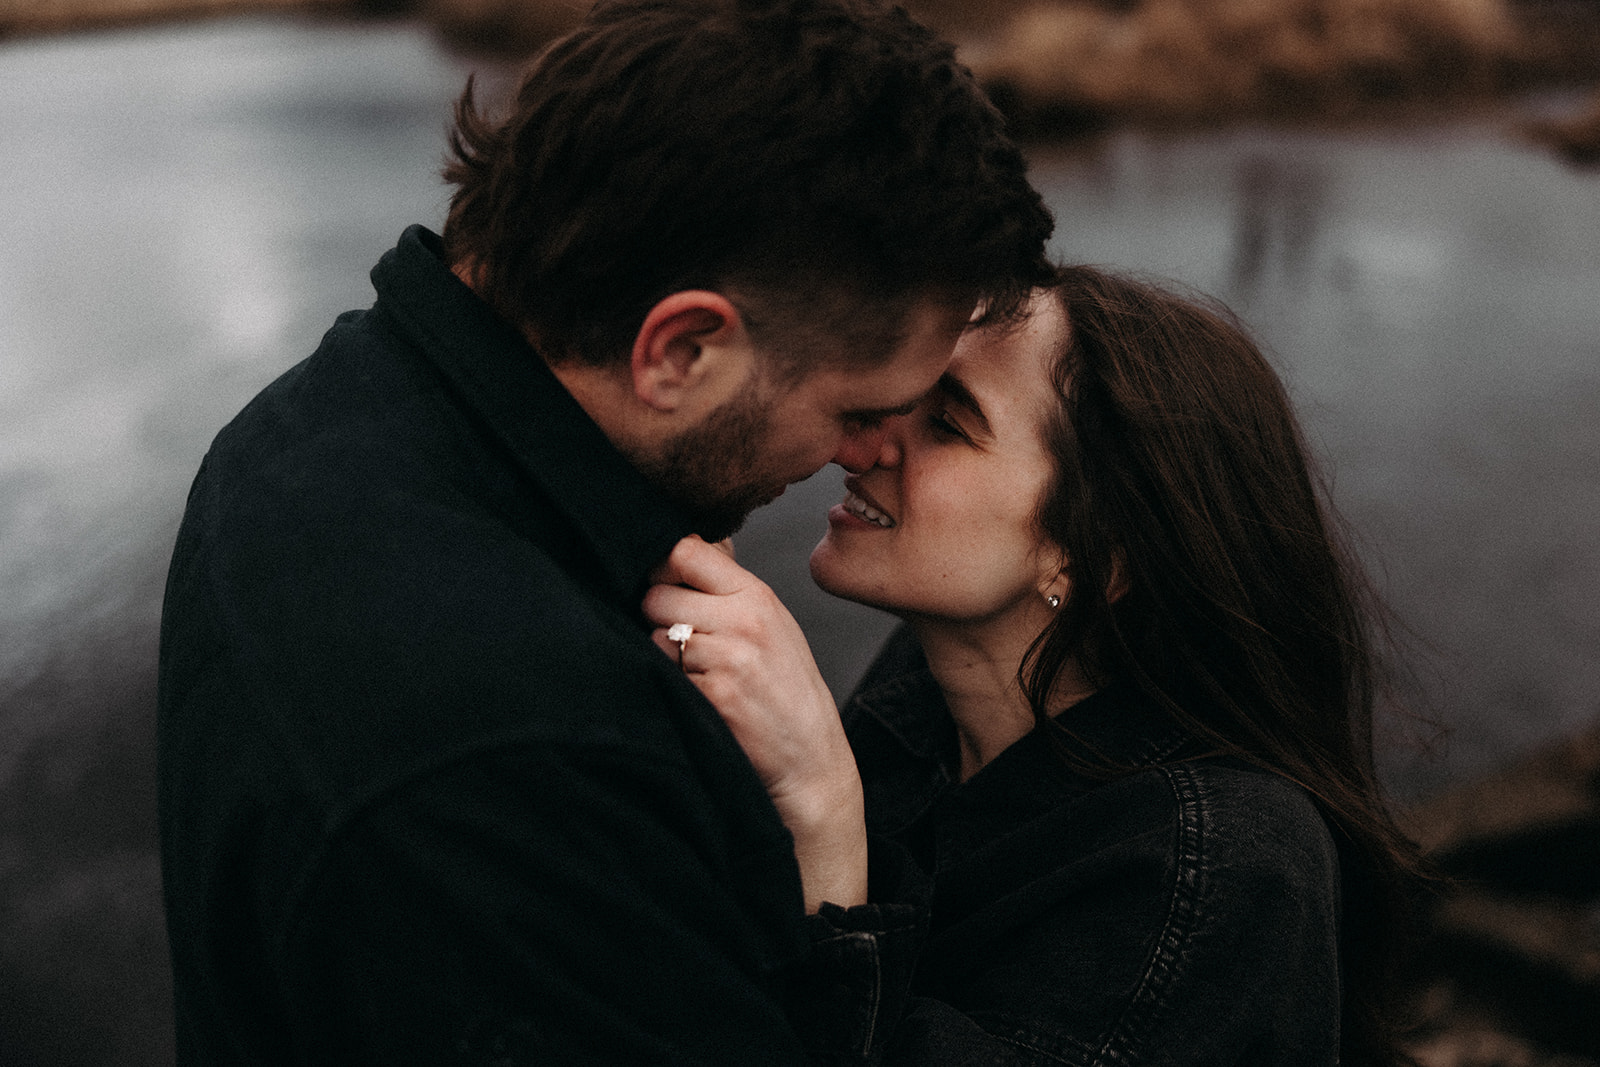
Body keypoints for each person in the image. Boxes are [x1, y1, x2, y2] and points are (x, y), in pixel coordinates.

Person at [155, 0, 1054, 1062]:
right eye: (855, 410)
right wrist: (831, 901)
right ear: (679, 349)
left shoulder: (320, 417)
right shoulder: (517, 757)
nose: (860, 451)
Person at [645, 267, 1429, 1064]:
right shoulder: (924, 685)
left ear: (1094, 558)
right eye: (902, 391)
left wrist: (823, 820)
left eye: (948, 422)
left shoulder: (1221, 867)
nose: (863, 440)